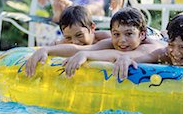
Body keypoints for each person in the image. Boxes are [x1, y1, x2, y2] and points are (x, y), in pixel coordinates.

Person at [25, 7, 165, 78]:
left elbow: (115, 54)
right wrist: (46, 50)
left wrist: (86, 55)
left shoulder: (151, 47)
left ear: (141, 35)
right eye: (116, 34)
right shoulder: (115, 40)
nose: (122, 40)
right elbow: (88, 48)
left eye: (128, 34)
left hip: (159, 37)